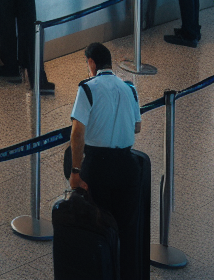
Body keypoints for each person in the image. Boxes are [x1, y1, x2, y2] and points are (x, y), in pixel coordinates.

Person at [67, 42, 144, 280]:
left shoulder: (88, 88)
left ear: (91, 63)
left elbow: (77, 132)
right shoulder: (129, 87)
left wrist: (75, 170)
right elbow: (137, 126)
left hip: (98, 166)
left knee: (98, 227)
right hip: (127, 166)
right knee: (125, 229)